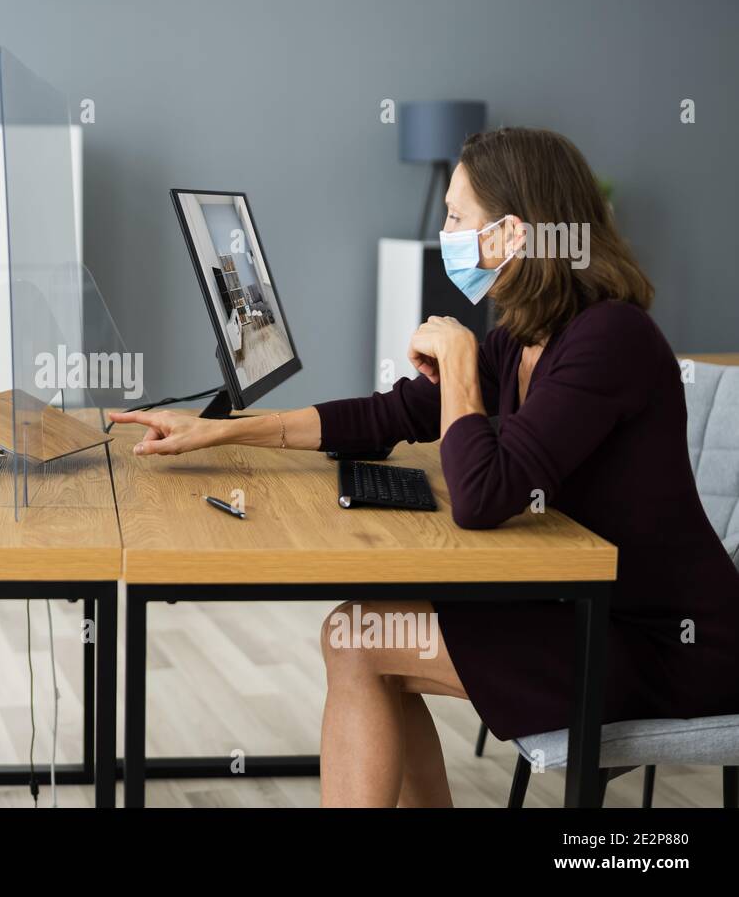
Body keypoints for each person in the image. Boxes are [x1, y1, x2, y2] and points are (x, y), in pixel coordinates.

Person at [110, 126, 739, 807]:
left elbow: (482, 496)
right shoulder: (529, 337)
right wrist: (221, 432)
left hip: (669, 649)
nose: (447, 234)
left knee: (357, 639)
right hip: (585, 610)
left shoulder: (609, 339)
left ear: (511, 235)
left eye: (456, 216)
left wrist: (464, 366)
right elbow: (388, 417)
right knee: (360, 631)